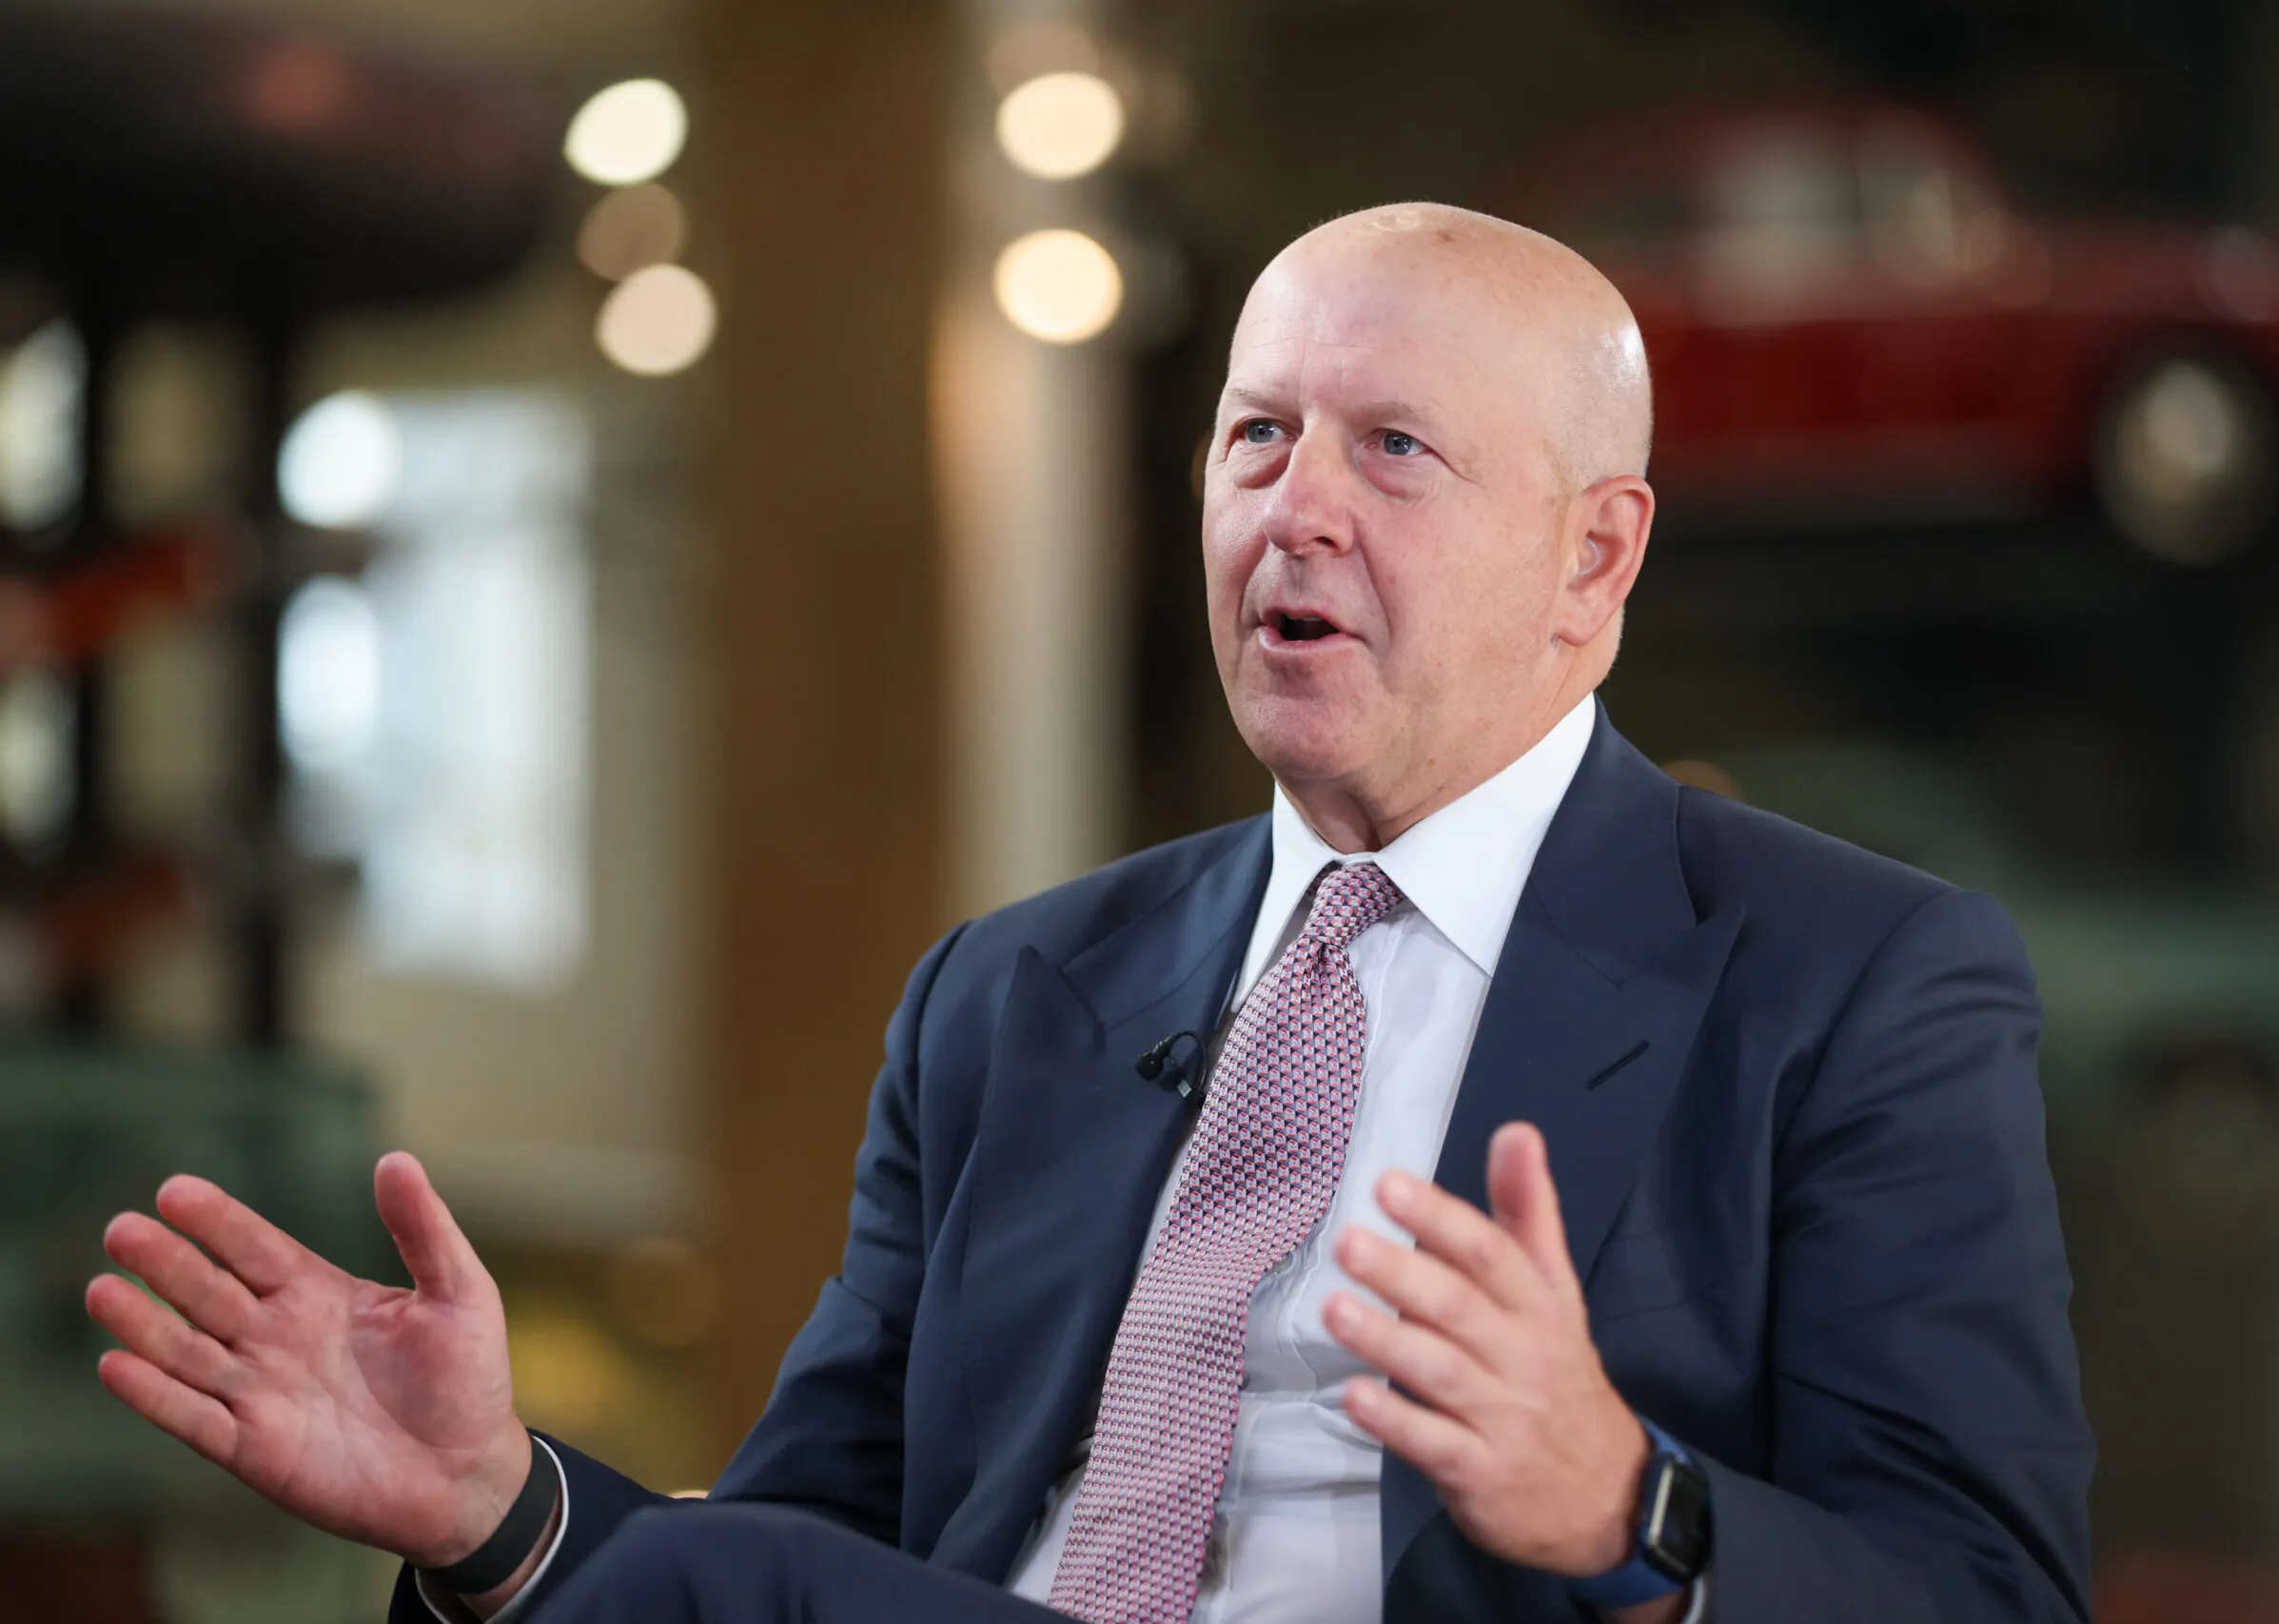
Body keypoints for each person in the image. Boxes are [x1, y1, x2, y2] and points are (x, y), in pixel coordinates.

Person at [86, 203, 2094, 1624]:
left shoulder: (1852, 980)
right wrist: (498, 1514)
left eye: (1393, 449)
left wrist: (1628, 1509)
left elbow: (1985, 1593)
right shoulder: (1011, 988)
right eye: (1254, 436)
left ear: (1594, 557)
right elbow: (795, 1559)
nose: (1294, 509)